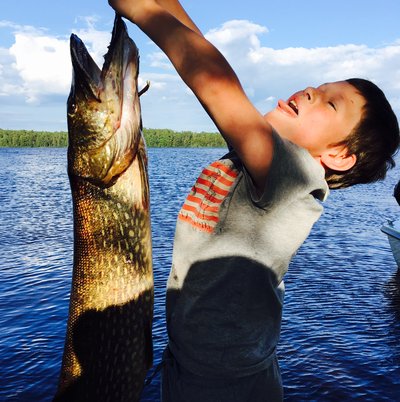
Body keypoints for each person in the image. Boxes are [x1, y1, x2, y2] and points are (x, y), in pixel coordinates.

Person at [108, 1, 399, 401]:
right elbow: (206, 55)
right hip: (189, 369)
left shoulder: (292, 177)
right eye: (321, 86)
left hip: (227, 386)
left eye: (331, 103)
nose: (313, 91)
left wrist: (144, 12)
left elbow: (214, 81)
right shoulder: (257, 162)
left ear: (339, 155)